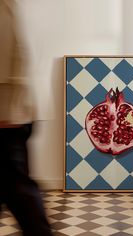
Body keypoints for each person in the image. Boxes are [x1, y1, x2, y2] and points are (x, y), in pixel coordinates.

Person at [0, 1, 53, 235]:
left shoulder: (10, 6)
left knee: (18, 188)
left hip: (9, 112)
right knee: (16, 185)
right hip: (14, 109)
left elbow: (23, 52)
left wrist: (10, 108)